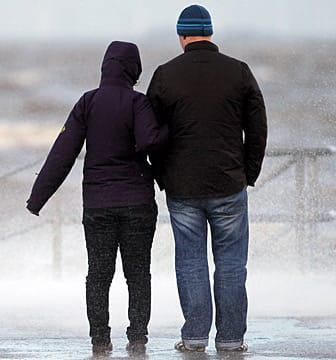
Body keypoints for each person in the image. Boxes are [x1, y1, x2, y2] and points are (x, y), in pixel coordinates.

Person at [26, 41, 167, 355]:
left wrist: (37, 199)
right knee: (138, 274)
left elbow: (62, 154)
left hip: (98, 205)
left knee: (99, 275)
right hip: (137, 205)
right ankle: (138, 338)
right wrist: (169, 128)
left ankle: (100, 341)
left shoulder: (87, 103)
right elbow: (150, 143)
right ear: (134, 69)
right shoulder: (138, 103)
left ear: (106, 66)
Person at [146, 4, 267, 353]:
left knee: (190, 262)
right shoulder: (239, 71)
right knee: (230, 265)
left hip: (182, 187)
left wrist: (162, 173)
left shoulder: (165, 74)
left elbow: (152, 132)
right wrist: (249, 172)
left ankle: (195, 337)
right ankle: (231, 340)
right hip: (229, 182)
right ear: (210, 33)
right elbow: (257, 127)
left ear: (181, 36)